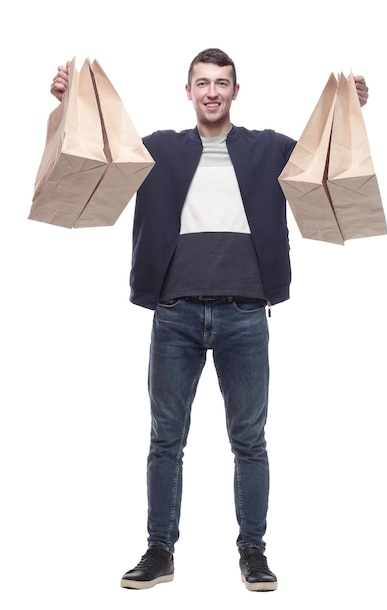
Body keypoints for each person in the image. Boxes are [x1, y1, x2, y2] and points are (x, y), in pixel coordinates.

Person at [50, 49, 369, 592]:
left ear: (235, 92)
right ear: (189, 90)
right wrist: (65, 107)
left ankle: (253, 552)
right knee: (164, 439)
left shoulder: (268, 148)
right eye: (203, 83)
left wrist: (354, 109)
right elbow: (92, 160)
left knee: (249, 439)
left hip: (246, 312)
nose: (212, 92)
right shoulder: (156, 150)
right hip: (175, 313)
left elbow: (327, 161)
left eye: (222, 83)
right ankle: (159, 550)